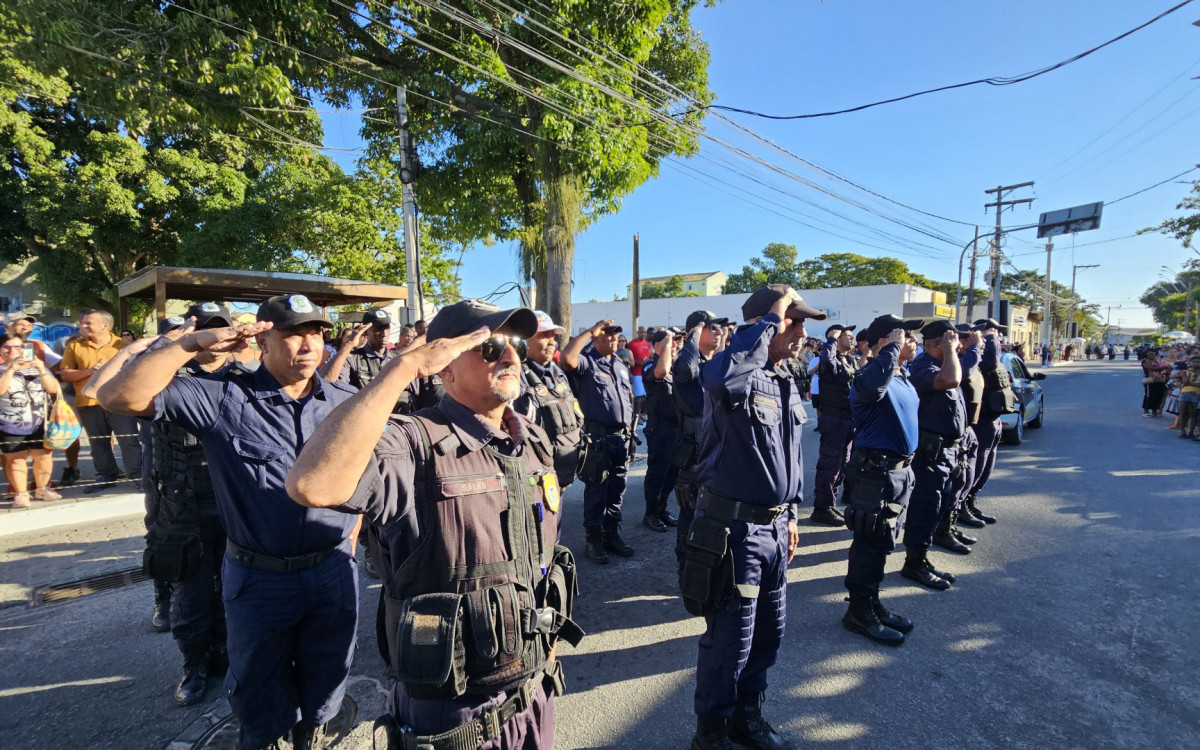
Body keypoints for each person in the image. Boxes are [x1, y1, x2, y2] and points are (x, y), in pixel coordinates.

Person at [285, 300, 582, 750]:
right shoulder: (413, 444)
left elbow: (541, 562)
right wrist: (401, 370)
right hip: (453, 715)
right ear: (443, 369)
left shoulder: (531, 440)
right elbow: (311, 484)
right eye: (490, 347)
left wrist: (547, 648)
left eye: (516, 344)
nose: (510, 356)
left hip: (534, 690)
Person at [97, 294, 359, 750]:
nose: (308, 344)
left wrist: (351, 540)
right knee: (259, 696)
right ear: (263, 341)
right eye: (293, 333)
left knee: (326, 689)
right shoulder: (220, 396)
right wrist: (192, 342)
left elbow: (362, 479)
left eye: (315, 332)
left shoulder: (346, 401)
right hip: (260, 579)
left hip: (332, 572)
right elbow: (116, 395)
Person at [684, 285, 820, 750]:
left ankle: (747, 714)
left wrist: (794, 513)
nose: (801, 333)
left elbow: (791, 457)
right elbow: (720, 379)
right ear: (764, 324)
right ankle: (712, 732)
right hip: (735, 530)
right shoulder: (737, 370)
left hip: (776, 528)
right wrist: (768, 318)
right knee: (731, 639)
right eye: (793, 322)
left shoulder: (783, 378)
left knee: (769, 631)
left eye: (802, 324)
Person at [86, 303, 239, 706]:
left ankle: (227, 654)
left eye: (220, 327)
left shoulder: (244, 376)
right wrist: (165, 346)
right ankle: (194, 664)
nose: (214, 336)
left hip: (232, 499)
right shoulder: (158, 375)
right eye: (205, 328)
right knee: (189, 592)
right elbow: (97, 392)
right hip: (179, 501)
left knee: (235, 587)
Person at [841, 314, 923, 646]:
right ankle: (859, 612)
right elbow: (873, 387)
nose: (909, 340)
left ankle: (872, 601)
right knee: (870, 543)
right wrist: (889, 348)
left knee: (884, 543)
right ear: (881, 343)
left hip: (900, 472)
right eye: (901, 335)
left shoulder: (902, 377)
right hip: (876, 474)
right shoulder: (867, 376)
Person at [899, 319, 966, 591]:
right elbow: (950, 381)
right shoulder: (925, 366)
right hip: (931, 455)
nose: (959, 344)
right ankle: (914, 563)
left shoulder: (943, 363)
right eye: (953, 339)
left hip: (948, 451)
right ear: (939, 342)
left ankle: (922, 560)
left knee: (938, 506)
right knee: (925, 510)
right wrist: (950, 351)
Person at [562, 320, 636, 564]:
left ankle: (611, 534)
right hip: (598, 438)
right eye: (608, 335)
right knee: (597, 490)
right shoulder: (587, 362)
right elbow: (567, 358)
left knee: (617, 490)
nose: (615, 339)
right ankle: (593, 540)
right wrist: (588, 331)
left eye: (617, 335)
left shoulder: (620, 365)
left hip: (621, 438)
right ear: (596, 338)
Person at [60, 309, 142, 492]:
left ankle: (138, 475)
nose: (83, 325)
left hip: (119, 403)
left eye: (88, 323)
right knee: (98, 442)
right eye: (83, 323)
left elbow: (136, 373)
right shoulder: (74, 346)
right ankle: (106, 474)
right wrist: (89, 371)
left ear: (105, 326)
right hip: (88, 403)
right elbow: (65, 374)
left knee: (129, 440)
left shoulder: (123, 345)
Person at [672, 310, 728, 575]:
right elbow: (685, 370)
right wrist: (692, 336)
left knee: (716, 511)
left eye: (721, 328)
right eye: (712, 327)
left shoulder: (712, 363)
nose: (718, 332)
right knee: (691, 512)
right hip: (694, 453)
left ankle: (708, 566)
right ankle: (688, 569)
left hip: (718, 450)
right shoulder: (687, 363)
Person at [931, 323, 986, 555]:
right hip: (940, 441)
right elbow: (958, 376)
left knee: (963, 481)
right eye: (956, 339)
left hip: (964, 430)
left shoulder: (952, 359)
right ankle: (941, 532)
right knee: (946, 491)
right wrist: (974, 349)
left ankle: (950, 524)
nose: (959, 342)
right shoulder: (937, 365)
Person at [513, 310, 583, 490]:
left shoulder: (558, 374)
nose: (552, 342)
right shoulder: (516, 375)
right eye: (544, 336)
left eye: (553, 336)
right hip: (533, 473)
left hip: (562, 469)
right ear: (523, 341)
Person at [0, 334, 61, 508]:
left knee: (43, 456)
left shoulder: (37, 368)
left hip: (39, 422)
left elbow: (54, 389)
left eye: (17, 347)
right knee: (15, 459)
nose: (12, 351)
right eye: (7, 347)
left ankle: (42, 488)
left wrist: (41, 369)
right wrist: (10, 369)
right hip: (9, 424)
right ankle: (21, 493)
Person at [964, 319, 1015, 526]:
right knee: (976, 465)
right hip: (981, 419)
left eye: (997, 333)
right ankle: (962, 506)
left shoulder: (993, 351)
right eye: (992, 332)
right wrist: (989, 339)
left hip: (993, 418)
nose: (997, 335)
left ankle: (971, 501)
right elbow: (990, 363)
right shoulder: (979, 353)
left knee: (987, 465)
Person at [810, 323, 859, 527]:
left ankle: (830, 504)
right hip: (834, 419)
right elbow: (827, 362)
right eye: (847, 335)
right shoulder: (830, 361)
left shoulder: (849, 359)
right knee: (830, 465)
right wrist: (830, 338)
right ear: (837, 339)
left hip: (848, 419)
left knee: (842, 464)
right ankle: (821, 508)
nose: (852, 338)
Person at [641, 329, 683, 532]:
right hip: (660, 428)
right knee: (658, 472)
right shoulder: (652, 364)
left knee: (672, 472)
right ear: (656, 345)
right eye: (669, 341)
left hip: (676, 427)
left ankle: (662, 508)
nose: (674, 344)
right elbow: (660, 372)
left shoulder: (675, 366)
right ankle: (650, 513)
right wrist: (667, 343)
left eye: (676, 341)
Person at [628, 328, 652, 426]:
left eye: (645, 332)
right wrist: (638, 362)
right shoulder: (631, 344)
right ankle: (635, 416)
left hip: (645, 372)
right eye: (642, 332)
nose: (644, 334)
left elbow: (650, 356)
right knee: (638, 395)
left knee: (644, 395)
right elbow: (630, 357)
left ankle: (641, 414)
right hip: (637, 372)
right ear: (637, 333)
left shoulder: (647, 344)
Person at [1142, 348, 1170, 417]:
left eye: (1153, 353)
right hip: (1150, 381)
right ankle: (1146, 411)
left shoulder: (1157, 362)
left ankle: (1154, 411)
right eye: (1149, 353)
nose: (1152, 354)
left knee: (1158, 396)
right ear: (1146, 354)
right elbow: (1152, 368)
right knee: (1149, 396)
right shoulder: (1145, 361)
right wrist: (1165, 367)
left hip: (1159, 381)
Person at [1178, 356, 1200, 440]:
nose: (1196, 363)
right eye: (1194, 362)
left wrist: (1190, 384)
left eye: (1198, 362)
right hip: (1185, 393)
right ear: (1189, 363)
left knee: (1194, 413)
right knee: (1183, 412)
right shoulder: (1185, 372)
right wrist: (1190, 374)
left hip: (1196, 394)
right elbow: (1185, 382)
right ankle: (1182, 431)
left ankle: (1191, 432)